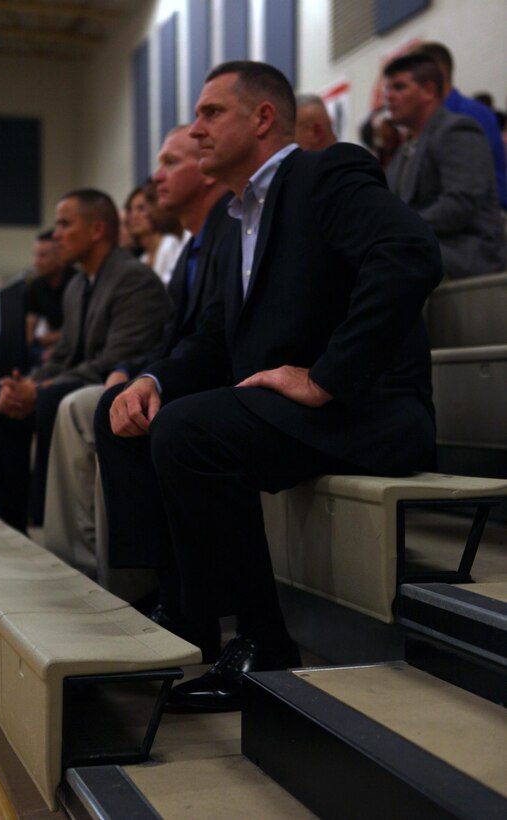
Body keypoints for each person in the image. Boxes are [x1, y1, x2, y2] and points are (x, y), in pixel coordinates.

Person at [103, 60, 442, 712]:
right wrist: (149, 379)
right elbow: (209, 343)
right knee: (136, 413)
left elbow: (409, 254)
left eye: (210, 113)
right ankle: (188, 621)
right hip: (292, 413)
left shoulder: (324, 173)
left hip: (371, 409)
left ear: (262, 118)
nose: (196, 129)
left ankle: (262, 645)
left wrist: (326, 377)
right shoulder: (235, 221)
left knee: (188, 432)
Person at [44, 126, 232, 594]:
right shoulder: (193, 245)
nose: (155, 176)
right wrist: (134, 372)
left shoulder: (228, 234)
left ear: (207, 172)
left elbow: (213, 337)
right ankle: (76, 564)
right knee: (94, 400)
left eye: (170, 162)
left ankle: (129, 585)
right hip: (182, 370)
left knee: (105, 406)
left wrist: (146, 377)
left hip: (216, 378)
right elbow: (171, 337)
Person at [0, 188, 170, 533]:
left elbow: (118, 358)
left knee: (52, 398)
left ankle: (47, 524)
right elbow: (65, 354)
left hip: (121, 379)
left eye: (65, 224)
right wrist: (27, 384)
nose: (56, 235)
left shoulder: (133, 279)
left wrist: (41, 389)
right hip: (82, 378)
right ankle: (8, 520)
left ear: (96, 230)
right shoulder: (77, 284)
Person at [384, 53, 505, 279]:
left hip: (470, 251)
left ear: (429, 91)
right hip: (430, 245)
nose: (389, 97)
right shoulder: (404, 150)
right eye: (387, 90)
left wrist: (400, 230)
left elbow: (460, 203)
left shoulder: (457, 130)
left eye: (399, 88)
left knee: (391, 259)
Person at [414, 42, 506, 209]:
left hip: (485, 219)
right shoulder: (436, 120)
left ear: (436, 73)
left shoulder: (469, 114)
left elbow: (470, 188)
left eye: (417, 73)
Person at [24, 229, 76, 365]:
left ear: (59, 256)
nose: (36, 262)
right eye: (35, 256)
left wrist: (41, 341)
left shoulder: (76, 282)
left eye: (43, 256)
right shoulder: (36, 285)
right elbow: (31, 320)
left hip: (72, 347)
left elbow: (75, 331)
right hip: (49, 347)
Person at [125, 181, 188, 285]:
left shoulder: (169, 244)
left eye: (141, 208)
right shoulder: (143, 259)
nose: (133, 216)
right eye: (130, 210)